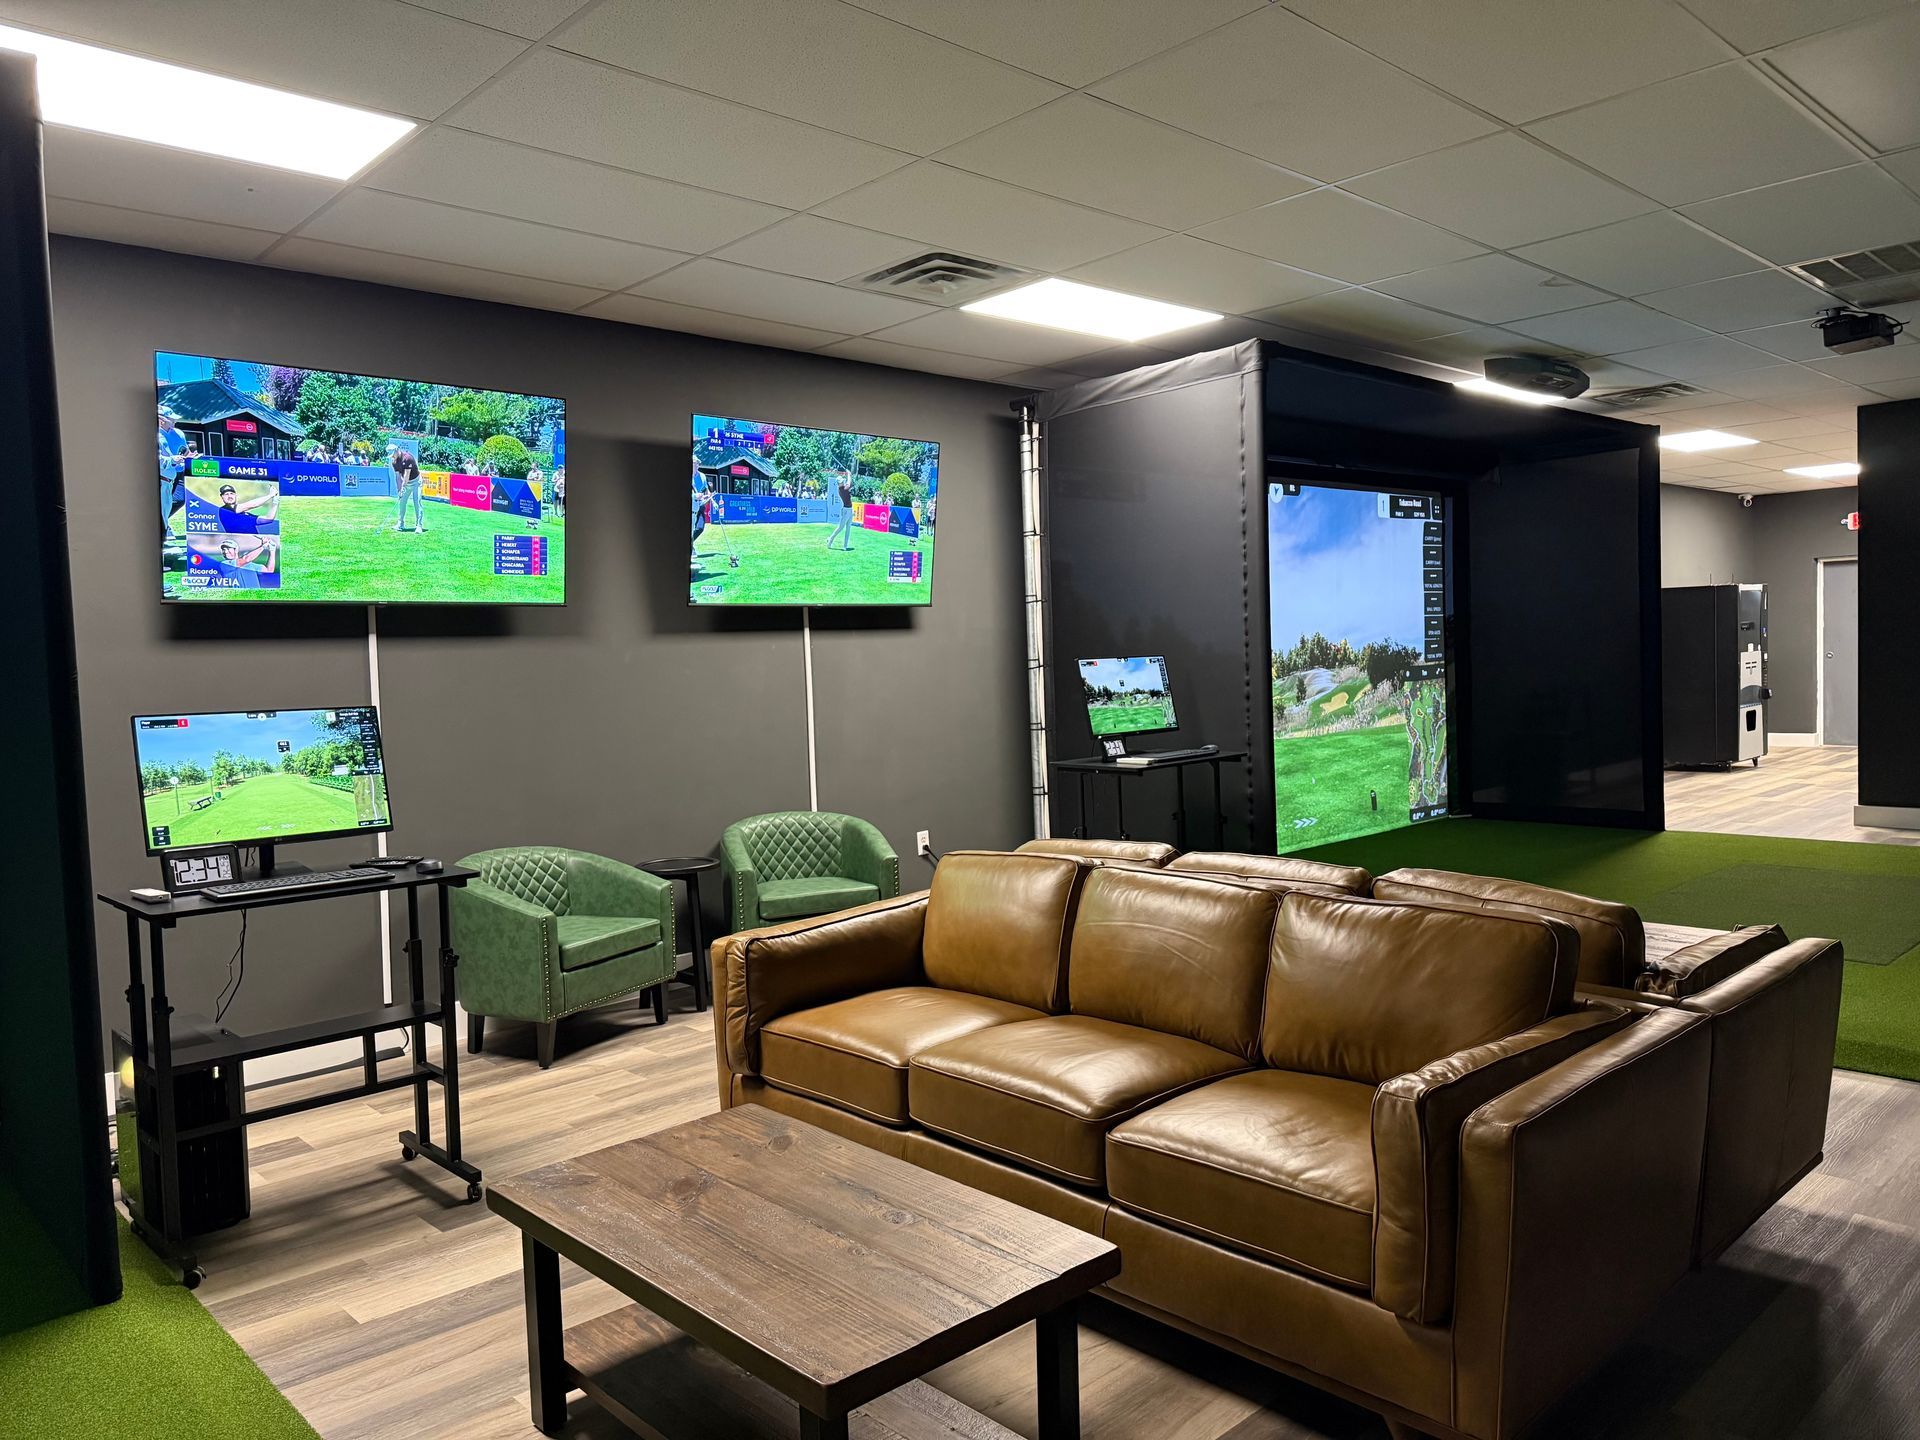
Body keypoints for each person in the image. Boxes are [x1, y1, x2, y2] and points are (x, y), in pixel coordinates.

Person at [158, 410, 190, 540]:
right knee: (164, 502)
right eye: (172, 419)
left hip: (178, 471)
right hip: (164, 474)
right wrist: (172, 459)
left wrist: (188, 455)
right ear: (162, 420)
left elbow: (185, 450)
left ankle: (164, 523)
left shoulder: (179, 433)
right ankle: (163, 526)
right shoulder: (156, 435)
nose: (175, 421)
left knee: (179, 499)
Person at [388, 443, 426, 532]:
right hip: (406, 483)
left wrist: (403, 487)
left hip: (416, 482)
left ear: (397, 450)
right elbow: (398, 477)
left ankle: (419, 525)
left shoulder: (407, 458)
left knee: (417, 502)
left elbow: (406, 475)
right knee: (402, 502)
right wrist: (399, 490)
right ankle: (400, 524)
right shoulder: (394, 462)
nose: (392, 457)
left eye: (393, 454)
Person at [826, 470, 854, 552]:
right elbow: (849, 482)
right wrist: (849, 474)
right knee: (840, 528)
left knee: (848, 528)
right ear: (839, 483)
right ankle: (830, 539)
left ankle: (845, 546)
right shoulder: (843, 489)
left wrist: (848, 475)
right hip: (846, 511)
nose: (842, 482)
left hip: (850, 510)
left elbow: (848, 482)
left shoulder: (842, 488)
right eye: (841, 482)